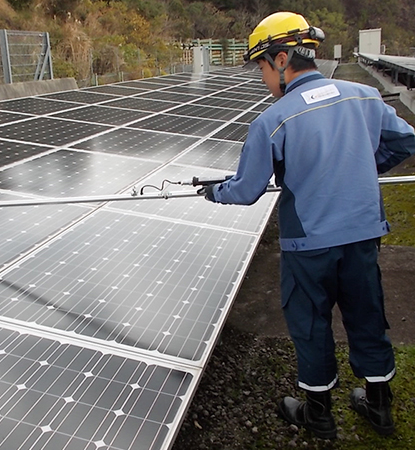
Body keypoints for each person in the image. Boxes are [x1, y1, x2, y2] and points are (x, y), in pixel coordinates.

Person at [201, 11, 415, 440]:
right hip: (361, 236)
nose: (261, 77)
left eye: (260, 66)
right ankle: (380, 408)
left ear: (281, 60)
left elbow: (245, 191)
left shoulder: (273, 120)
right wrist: (362, 167)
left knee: (311, 322)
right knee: (366, 315)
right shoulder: (365, 97)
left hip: (308, 246)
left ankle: (317, 415)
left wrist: (213, 191)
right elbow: (407, 140)